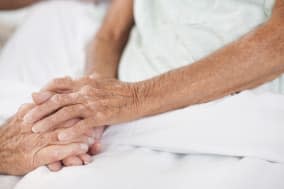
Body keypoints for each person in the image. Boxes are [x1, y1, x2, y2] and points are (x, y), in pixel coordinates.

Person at [0, 0, 283, 176]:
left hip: (231, 104)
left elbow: (278, 43)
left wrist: (134, 99)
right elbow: (110, 33)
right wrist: (92, 97)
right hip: (124, 100)